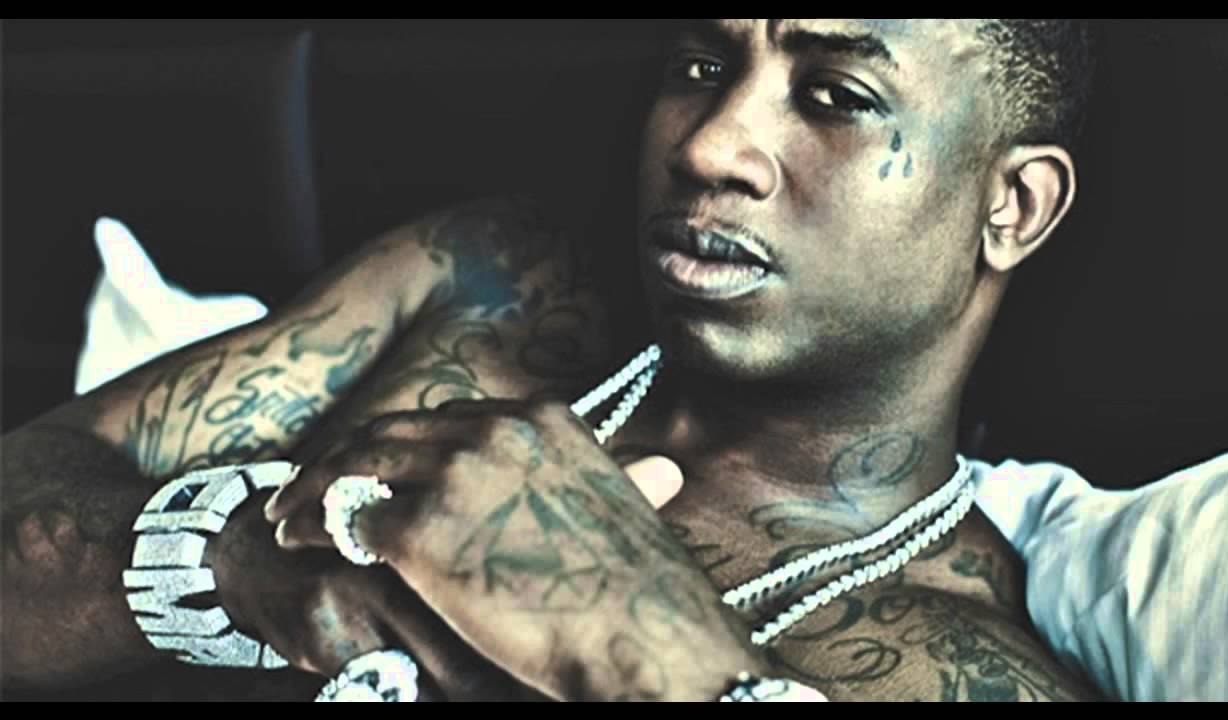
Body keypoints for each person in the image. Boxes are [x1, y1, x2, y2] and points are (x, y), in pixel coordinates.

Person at [2, 19, 1103, 701]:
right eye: (701, 64)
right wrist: (248, 560)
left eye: (837, 98)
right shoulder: (495, 285)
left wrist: (632, 655)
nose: (708, 145)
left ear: (1010, 206)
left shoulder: (961, 667)